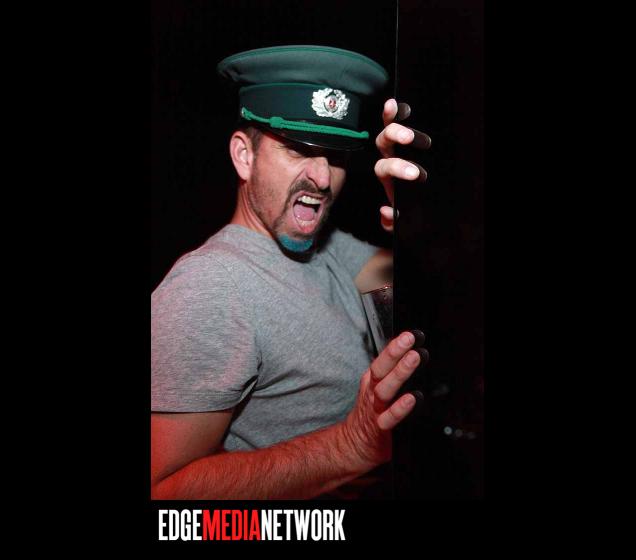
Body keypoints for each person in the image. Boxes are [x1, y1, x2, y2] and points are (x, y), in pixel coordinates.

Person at [151, 45, 429, 499]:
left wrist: (416, 219)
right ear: (244, 156)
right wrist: (352, 445)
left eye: (335, 154)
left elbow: (423, 293)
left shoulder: (335, 251)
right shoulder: (209, 288)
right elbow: (163, 491)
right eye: (298, 148)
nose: (322, 177)